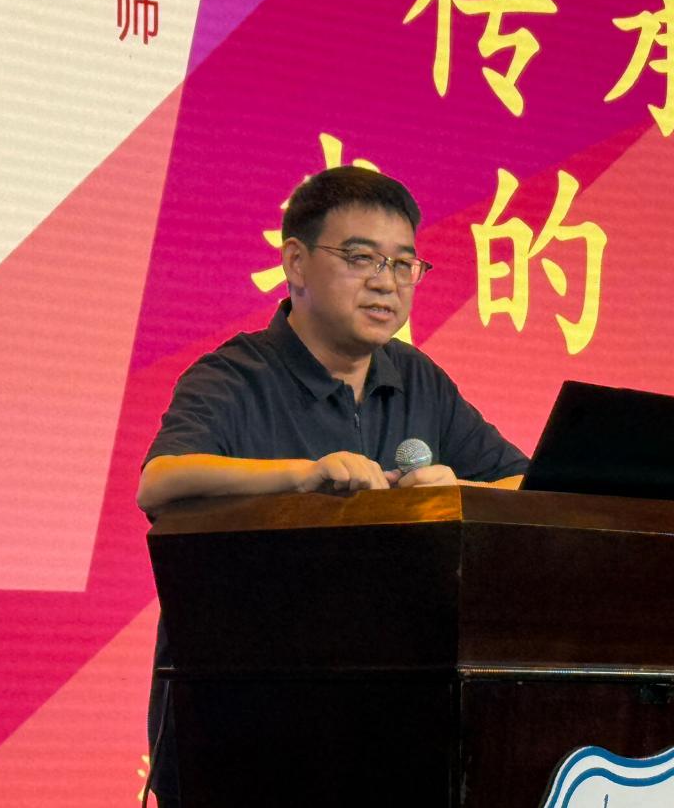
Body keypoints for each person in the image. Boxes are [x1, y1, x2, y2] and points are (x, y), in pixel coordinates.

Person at [137, 165, 528, 805]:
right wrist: (304, 475)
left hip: (389, 720)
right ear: (296, 262)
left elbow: (524, 483)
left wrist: (455, 492)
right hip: (243, 723)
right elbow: (159, 482)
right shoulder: (234, 376)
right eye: (361, 258)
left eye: (403, 264)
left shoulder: (418, 378)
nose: (386, 282)